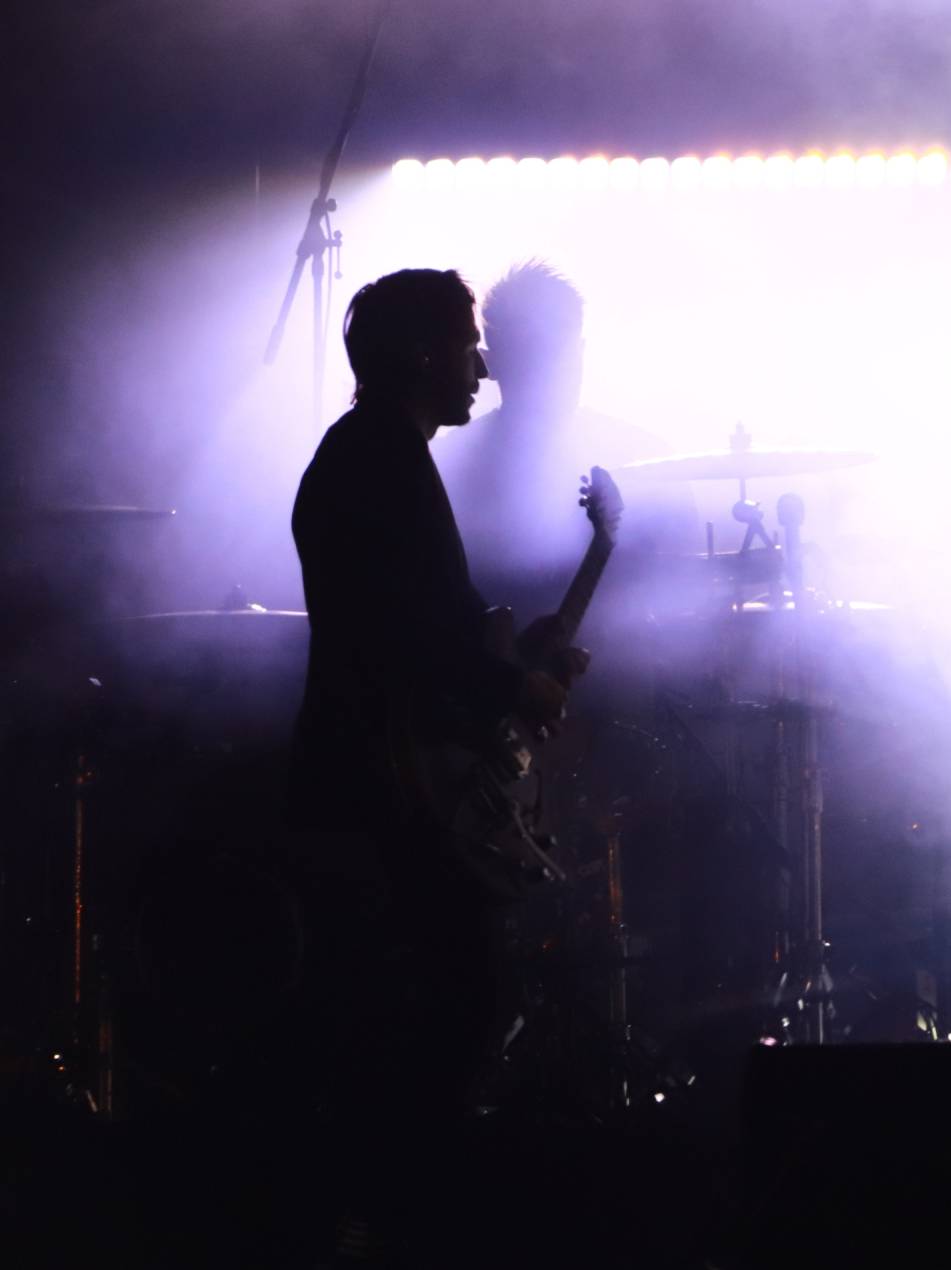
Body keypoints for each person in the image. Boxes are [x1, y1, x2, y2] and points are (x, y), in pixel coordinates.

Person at [285, 268, 585, 1249]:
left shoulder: (375, 454)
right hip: (383, 795)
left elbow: (426, 625)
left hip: (374, 785)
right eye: (467, 342)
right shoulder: (378, 461)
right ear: (421, 355)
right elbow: (410, 638)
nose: (483, 365)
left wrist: (511, 656)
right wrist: (516, 687)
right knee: (447, 1007)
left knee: (426, 1009)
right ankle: (405, 1223)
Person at [435, 260, 695, 615]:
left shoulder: (647, 456)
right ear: (490, 362)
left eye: (561, 355)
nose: (553, 374)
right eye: (536, 357)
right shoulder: (448, 471)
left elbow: (685, 586)